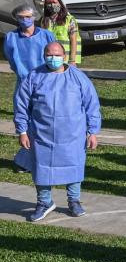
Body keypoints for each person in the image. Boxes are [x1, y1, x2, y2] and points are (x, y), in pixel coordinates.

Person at [14, 42, 101, 222]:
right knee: (41, 169)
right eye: (49, 54)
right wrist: (22, 131)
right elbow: (21, 105)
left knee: (74, 167)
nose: (52, 58)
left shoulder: (78, 78)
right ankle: (44, 202)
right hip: (41, 135)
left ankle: (74, 201)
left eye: (56, 54)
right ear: (44, 55)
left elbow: (92, 105)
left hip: (73, 135)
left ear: (64, 55)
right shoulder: (33, 77)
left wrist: (92, 131)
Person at [3, 3, 55, 80]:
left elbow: (54, 55)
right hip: (23, 79)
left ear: (34, 17)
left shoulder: (47, 35)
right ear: (16, 18)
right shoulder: (11, 37)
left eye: (28, 17)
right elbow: (11, 59)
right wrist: (21, 73)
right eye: (21, 17)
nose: (24, 19)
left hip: (45, 77)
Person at [39, 0, 80, 66]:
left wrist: (72, 60)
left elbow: (73, 40)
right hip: (49, 57)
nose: (52, 5)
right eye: (49, 3)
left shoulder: (69, 19)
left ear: (60, 4)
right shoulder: (43, 20)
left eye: (55, 3)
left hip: (65, 58)